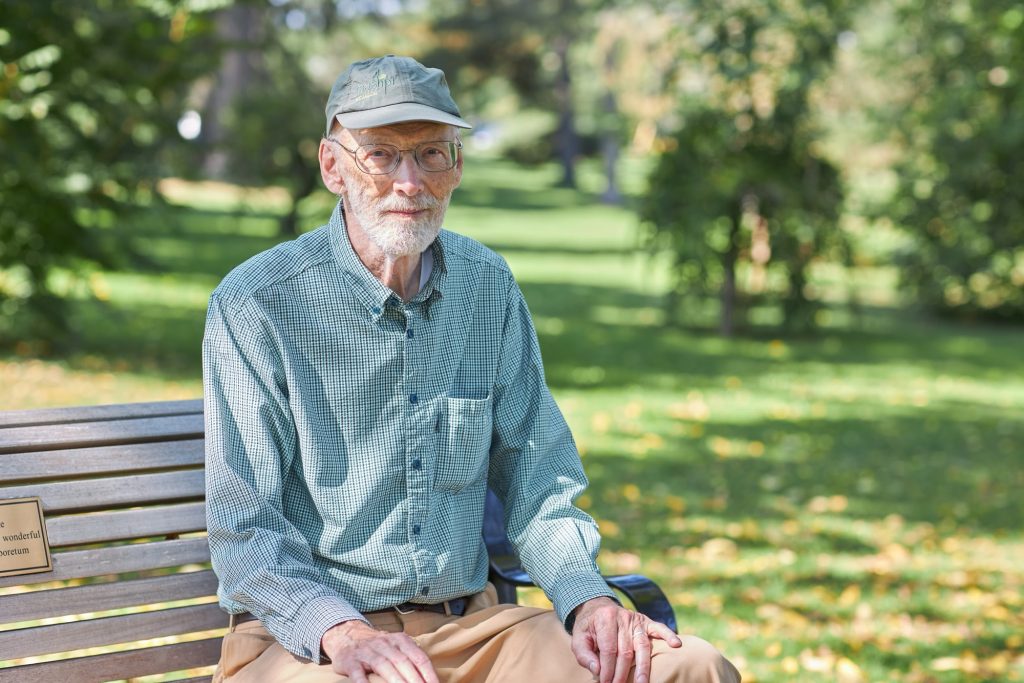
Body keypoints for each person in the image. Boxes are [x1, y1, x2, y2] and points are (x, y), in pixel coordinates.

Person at [203, 54, 741, 683]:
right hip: (308, 641)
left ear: (456, 168)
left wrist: (588, 597)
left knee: (692, 668)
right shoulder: (257, 302)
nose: (410, 182)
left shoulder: (487, 287)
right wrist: (340, 633)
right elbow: (246, 528)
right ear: (333, 167)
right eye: (380, 155)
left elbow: (538, 478)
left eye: (432, 153)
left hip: (474, 631)